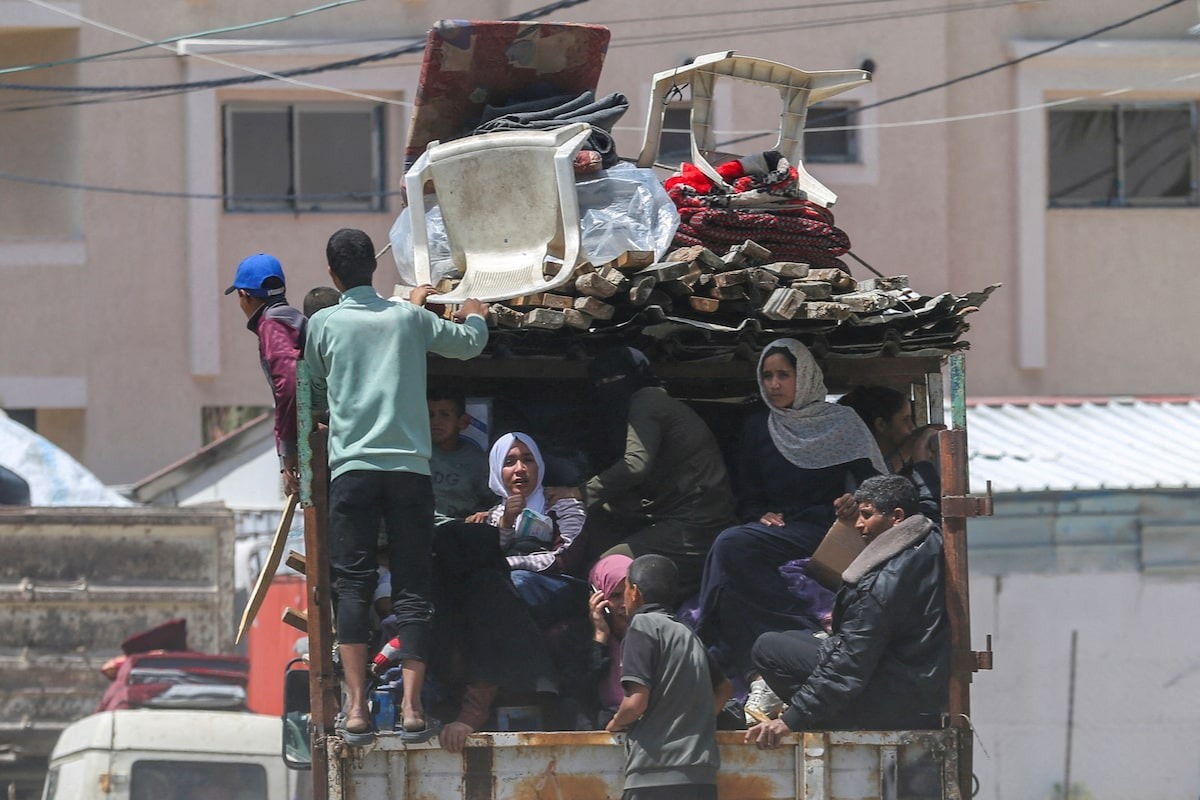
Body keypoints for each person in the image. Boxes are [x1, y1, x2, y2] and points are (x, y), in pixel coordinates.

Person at [304, 227, 489, 744]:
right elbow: (471, 344)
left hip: (353, 473)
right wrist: (475, 308)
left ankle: (358, 710)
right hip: (409, 473)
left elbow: (314, 383)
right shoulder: (410, 318)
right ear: (372, 269)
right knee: (413, 586)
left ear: (334, 275)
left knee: (355, 587)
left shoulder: (323, 323)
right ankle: (411, 710)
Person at [695, 338, 887, 712]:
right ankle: (763, 667)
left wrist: (853, 502)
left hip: (826, 529)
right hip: (778, 530)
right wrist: (758, 514)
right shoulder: (758, 427)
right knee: (733, 547)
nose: (774, 385)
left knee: (731, 545)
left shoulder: (842, 422)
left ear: (806, 376)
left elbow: (875, 486)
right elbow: (746, 493)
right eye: (767, 376)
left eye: (784, 375)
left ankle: (712, 638)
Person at [745, 474, 949, 747]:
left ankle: (840, 719)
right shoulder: (928, 534)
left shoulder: (882, 583)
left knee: (767, 648)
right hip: (912, 681)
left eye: (867, 515)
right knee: (794, 638)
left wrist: (791, 720)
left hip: (893, 697)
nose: (859, 524)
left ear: (897, 517)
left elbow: (851, 664)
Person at [575, 347, 736, 598]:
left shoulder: (647, 401)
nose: (607, 387)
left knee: (607, 571)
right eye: (601, 382)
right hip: (676, 518)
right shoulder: (641, 406)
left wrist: (579, 493)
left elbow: (636, 465)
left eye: (614, 379)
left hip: (698, 524)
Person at [606, 555, 731, 800]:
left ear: (635, 592)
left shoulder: (642, 625)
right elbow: (724, 689)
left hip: (655, 774)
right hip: (700, 777)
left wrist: (616, 723)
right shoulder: (686, 632)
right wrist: (694, 723)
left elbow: (636, 702)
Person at [472, 432, 588, 628]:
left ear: (539, 466)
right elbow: (488, 559)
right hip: (511, 581)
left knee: (516, 584)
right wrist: (506, 523)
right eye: (509, 462)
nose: (520, 469)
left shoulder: (563, 505)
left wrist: (509, 564)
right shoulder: (495, 515)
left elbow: (565, 559)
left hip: (559, 584)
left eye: (528, 459)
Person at [225, 253, 306, 497]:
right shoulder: (293, 319)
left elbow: (290, 385)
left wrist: (289, 449)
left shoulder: (271, 325)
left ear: (244, 295)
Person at [837, 384, 943, 520]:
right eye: (905, 419)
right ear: (881, 424)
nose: (912, 427)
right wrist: (915, 454)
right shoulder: (853, 469)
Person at [427, 388, 493, 524]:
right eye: (430, 415)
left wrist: (485, 514)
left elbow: (493, 499)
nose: (436, 422)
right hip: (422, 527)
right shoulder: (418, 454)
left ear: (463, 421)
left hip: (461, 528)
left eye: (444, 415)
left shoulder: (477, 460)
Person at [586, 553, 633, 728]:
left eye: (629, 594)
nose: (625, 604)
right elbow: (583, 692)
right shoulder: (578, 638)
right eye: (615, 595)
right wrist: (600, 638)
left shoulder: (654, 634)